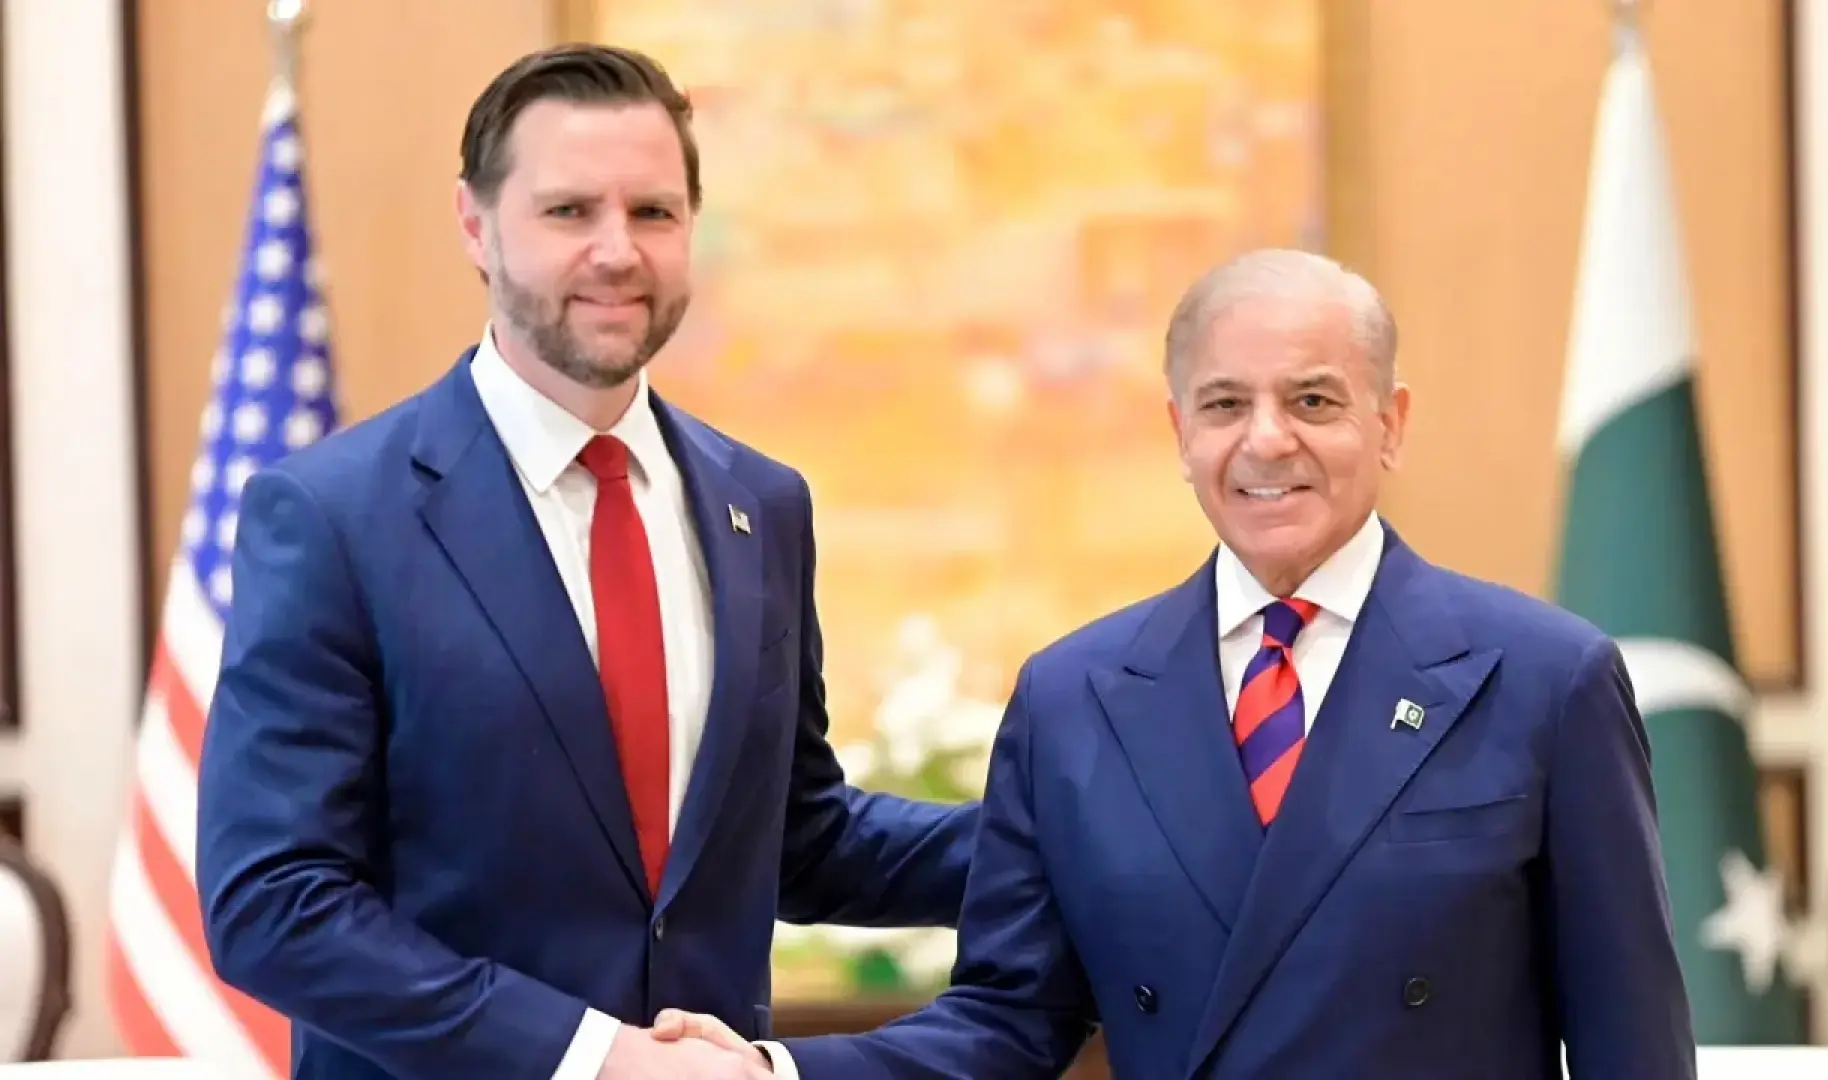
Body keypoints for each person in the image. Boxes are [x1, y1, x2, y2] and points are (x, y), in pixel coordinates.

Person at [655, 248, 1697, 1077]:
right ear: (1179, 432)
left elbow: (1633, 1046)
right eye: (1226, 404)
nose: (1267, 441)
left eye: (1315, 401)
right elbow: (1007, 1022)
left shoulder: (1545, 680)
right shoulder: (1074, 698)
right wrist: (774, 1072)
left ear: (1392, 424)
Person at [195, 43, 978, 1080]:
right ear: (475, 224)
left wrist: (1074, 839)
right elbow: (272, 902)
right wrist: (593, 1057)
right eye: (569, 212)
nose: (618, 252)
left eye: (653, 213)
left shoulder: (763, 505)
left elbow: (796, 839)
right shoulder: (334, 517)